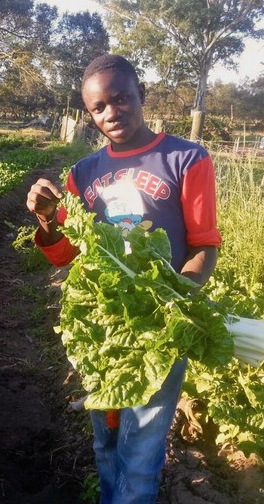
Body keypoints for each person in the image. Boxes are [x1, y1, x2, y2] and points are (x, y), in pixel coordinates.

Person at [25, 54, 222, 503]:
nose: (111, 113)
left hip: (159, 329)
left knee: (141, 453)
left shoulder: (187, 158)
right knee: (106, 441)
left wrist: (175, 302)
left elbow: (204, 246)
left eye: (121, 99)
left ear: (141, 96)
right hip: (102, 330)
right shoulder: (82, 173)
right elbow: (65, 255)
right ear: (89, 114)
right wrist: (47, 220)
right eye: (99, 108)